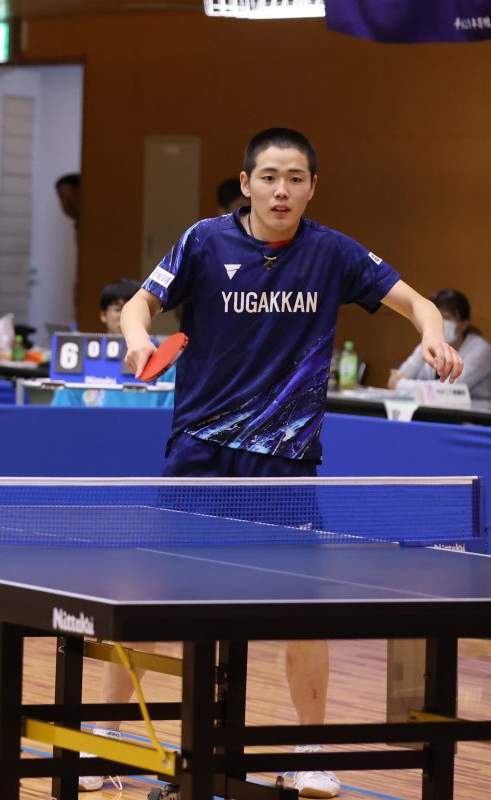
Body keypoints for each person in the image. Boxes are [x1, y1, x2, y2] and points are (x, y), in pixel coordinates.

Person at [94, 128, 463, 798]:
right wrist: (139, 335)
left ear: (312, 187)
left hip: (285, 462)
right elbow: (144, 301)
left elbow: (413, 301)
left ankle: (311, 751)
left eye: (295, 178)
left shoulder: (332, 253)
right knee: (147, 599)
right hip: (201, 452)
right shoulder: (203, 241)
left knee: (301, 611)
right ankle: (110, 742)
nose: (282, 189)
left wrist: (433, 334)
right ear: (246, 183)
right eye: (269, 176)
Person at [389, 289, 491, 400]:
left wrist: (401, 384)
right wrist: (399, 381)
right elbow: (397, 376)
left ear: (463, 325)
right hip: (431, 410)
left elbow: (450, 389)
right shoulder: (430, 343)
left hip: (472, 415)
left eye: (446, 317)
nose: (440, 322)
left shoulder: (481, 350)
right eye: (437, 317)